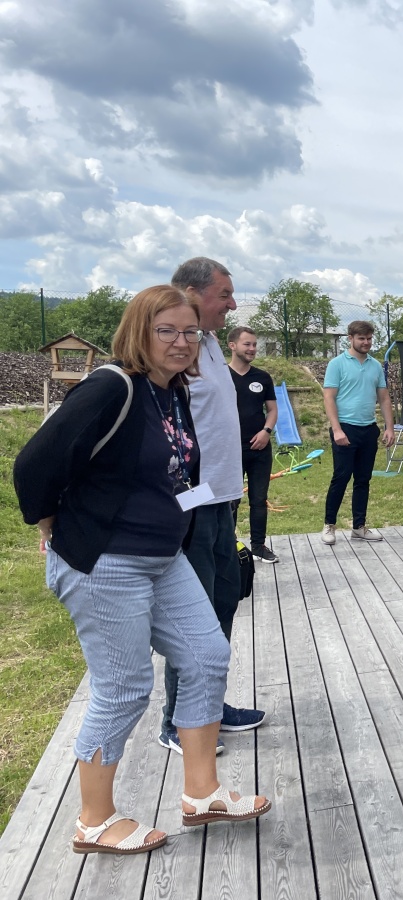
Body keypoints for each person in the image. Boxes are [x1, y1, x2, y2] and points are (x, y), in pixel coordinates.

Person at [14, 285, 270, 856]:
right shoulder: (114, 387)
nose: (181, 342)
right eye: (167, 331)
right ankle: (93, 821)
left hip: (162, 557)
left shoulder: (170, 392)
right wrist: (51, 525)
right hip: (105, 563)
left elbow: (172, 473)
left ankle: (201, 794)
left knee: (206, 655)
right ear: (138, 332)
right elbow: (33, 465)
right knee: (125, 687)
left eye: (190, 332)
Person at [163, 257, 264, 749]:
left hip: (221, 500)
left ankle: (208, 707)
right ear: (191, 292)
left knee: (224, 600)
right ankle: (176, 721)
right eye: (224, 294)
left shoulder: (208, 343)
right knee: (193, 616)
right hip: (192, 505)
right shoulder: (174, 352)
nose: (232, 303)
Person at [321, 320, 395, 545]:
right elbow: (329, 397)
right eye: (361, 338)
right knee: (341, 477)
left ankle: (359, 527)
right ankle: (329, 525)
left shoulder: (375, 365)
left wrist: (389, 427)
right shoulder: (337, 364)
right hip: (345, 428)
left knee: (363, 479)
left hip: (368, 429)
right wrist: (337, 430)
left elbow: (384, 398)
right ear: (350, 338)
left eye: (369, 338)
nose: (366, 342)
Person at [227, 326, 278, 564]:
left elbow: (272, 410)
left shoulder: (262, 377)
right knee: (231, 500)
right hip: (230, 450)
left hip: (259, 449)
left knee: (259, 499)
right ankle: (229, 546)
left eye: (255, 344)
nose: (252, 349)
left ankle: (258, 546)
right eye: (247, 344)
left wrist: (266, 432)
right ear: (232, 346)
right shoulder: (221, 376)